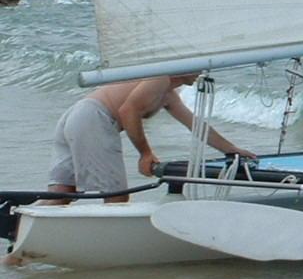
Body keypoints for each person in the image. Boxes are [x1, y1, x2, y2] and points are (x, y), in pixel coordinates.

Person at [45, 73, 257, 204]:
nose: (202, 71)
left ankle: (17, 230)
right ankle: (114, 250)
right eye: (198, 65)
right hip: (93, 118)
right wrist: (145, 153)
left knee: (61, 195)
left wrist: (231, 149)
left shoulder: (168, 93)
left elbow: (195, 125)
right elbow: (128, 111)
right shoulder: (159, 78)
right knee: (117, 196)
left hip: (78, 116)